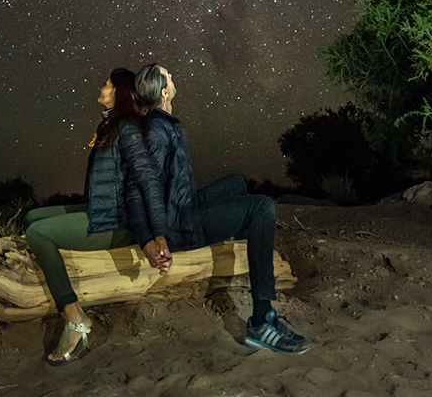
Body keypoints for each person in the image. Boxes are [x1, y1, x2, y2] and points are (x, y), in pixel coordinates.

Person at [127, 62, 312, 355]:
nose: (174, 77)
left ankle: (247, 234)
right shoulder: (157, 132)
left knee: (236, 183)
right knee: (262, 207)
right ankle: (262, 321)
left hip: (183, 205)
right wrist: (151, 239)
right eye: (169, 76)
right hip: (179, 226)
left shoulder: (164, 124)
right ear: (164, 92)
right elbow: (135, 191)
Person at [23, 68, 171, 365]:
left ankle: (75, 317)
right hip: (100, 210)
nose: (101, 87)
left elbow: (148, 180)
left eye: (107, 83)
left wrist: (158, 234)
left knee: (38, 233)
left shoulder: (127, 128)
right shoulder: (111, 125)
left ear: (119, 92)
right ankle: (60, 281)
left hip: (115, 223)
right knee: (33, 217)